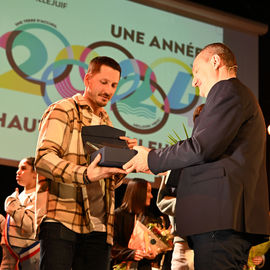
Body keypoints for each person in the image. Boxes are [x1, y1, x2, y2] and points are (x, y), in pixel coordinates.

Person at [123, 42, 270, 269]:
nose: (194, 81)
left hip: (219, 220)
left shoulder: (227, 89)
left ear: (215, 61)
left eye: (196, 71)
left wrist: (151, 159)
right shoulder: (237, 95)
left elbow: (201, 147)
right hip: (222, 221)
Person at [34, 56, 137, 270]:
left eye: (114, 85)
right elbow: (44, 158)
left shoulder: (108, 123)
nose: (109, 90)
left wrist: (125, 161)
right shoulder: (64, 110)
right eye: (103, 82)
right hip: (63, 217)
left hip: (100, 226)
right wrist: (85, 174)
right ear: (88, 79)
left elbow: (108, 180)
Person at [156, 104, 204, 270]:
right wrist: (190, 205)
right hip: (185, 244)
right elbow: (162, 201)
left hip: (220, 243)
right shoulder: (181, 155)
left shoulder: (228, 157)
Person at [0, 157, 40, 270]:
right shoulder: (20, 195)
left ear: (35, 173)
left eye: (23, 168)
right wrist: (3, 223)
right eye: (18, 168)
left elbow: (28, 226)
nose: (18, 172)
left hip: (28, 256)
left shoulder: (37, 197)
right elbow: (15, 229)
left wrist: (12, 206)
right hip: (9, 256)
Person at [111, 178, 159, 270]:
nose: (152, 196)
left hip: (143, 266)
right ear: (138, 193)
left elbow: (151, 243)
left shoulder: (147, 217)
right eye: (148, 191)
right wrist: (131, 253)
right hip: (121, 266)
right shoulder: (117, 215)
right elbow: (111, 246)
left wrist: (152, 253)